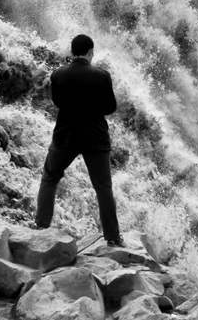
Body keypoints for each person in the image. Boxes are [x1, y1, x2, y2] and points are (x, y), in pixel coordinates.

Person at [35, 34, 123, 246]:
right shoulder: (102, 76)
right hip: (95, 136)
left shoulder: (58, 75)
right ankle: (112, 237)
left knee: (50, 178)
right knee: (103, 187)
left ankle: (41, 226)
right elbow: (110, 107)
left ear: (72, 52)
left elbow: (57, 102)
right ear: (91, 52)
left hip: (66, 134)